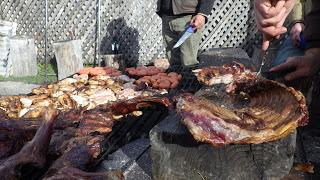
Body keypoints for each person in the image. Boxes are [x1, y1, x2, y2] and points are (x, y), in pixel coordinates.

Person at [254, 0, 320, 81]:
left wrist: (315, 51)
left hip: (314, 40)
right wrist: (297, 21)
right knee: (280, 67)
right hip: (301, 33)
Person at [156, 0, 215, 67]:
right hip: (166, 17)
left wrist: (202, 13)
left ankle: (189, 77)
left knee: (189, 63)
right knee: (174, 64)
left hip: (188, 18)